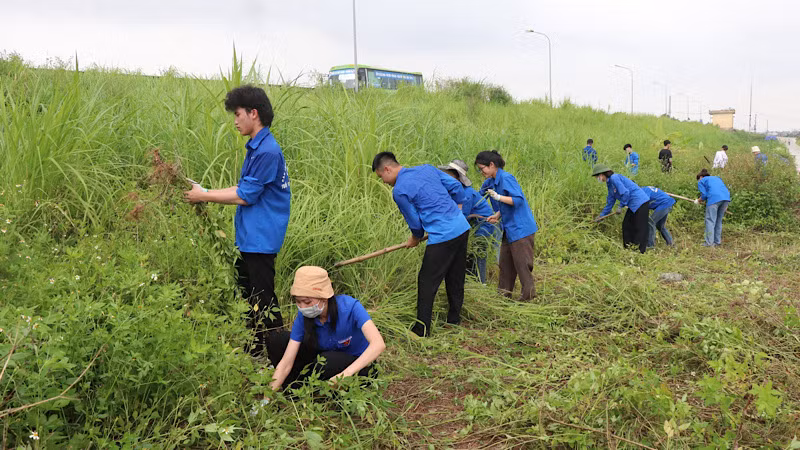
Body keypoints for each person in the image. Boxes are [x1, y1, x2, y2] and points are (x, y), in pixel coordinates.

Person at [184, 85, 291, 359]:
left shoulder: (267, 151)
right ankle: (254, 352)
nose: (235, 120)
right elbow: (244, 188)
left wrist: (204, 195)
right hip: (250, 236)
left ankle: (281, 361)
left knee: (264, 300)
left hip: (261, 239)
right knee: (250, 297)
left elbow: (246, 196)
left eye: (238, 114)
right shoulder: (257, 147)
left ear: (253, 114)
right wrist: (204, 192)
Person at [373, 152, 470, 337]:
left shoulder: (399, 190)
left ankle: (421, 330)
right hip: (462, 228)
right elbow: (456, 186)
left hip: (443, 236)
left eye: (381, 177)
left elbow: (415, 222)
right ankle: (454, 320)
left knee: (427, 282)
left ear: (387, 169)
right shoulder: (427, 168)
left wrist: (415, 238)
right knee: (455, 276)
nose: (384, 182)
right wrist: (457, 207)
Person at [268, 266, 385, 391]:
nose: (302, 307)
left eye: (307, 302)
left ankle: (321, 391)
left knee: (327, 361)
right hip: (326, 359)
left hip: (358, 366)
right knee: (278, 341)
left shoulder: (350, 307)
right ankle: (296, 391)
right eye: (298, 302)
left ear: (324, 298)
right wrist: (266, 397)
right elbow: (287, 362)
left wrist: (344, 375)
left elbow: (378, 344)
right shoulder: (304, 316)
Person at [475, 150, 538, 300]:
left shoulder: (506, 178)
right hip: (508, 228)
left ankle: (528, 296)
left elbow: (517, 200)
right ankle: (503, 296)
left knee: (522, 265)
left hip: (520, 228)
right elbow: (482, 197)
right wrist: (497, 215)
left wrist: (498, 197)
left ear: (491, 165)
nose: (481, 172)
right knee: (505, 264)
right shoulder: (490, 182)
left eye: (482, 168)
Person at [438, 159, 496, 284]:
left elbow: (461, 216)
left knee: (479, 251)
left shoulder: (466, 193)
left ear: (457, 177)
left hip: (484, 223)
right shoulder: (453, 191)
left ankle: (481, 283)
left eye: (450, 174)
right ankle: (470, 279)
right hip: (471, 223)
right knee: (468, 251)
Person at [592, 164, 651, 253]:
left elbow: (625, 193)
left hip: (641, 201)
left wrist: (620, 206)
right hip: (633, 205)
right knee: (626, 225)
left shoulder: (614, 178)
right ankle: (628, 248)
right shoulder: (609, 184)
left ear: (602, 174)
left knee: (640, 227)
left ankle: (640, 251)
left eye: (597, 176)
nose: (598, 179)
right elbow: (610, 201)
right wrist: (601, 216)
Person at [695, 169, 731, 247]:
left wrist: (698, 200)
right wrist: (726, 205)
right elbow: (724, 190)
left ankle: (709, 243)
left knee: (710, 221)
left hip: (714, 199)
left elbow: (704, 195)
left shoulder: (702, 181)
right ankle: (717, 242)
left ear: (701, 177)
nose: (698, 182)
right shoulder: (717, 178)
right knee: (718, 221)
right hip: (725, 199)